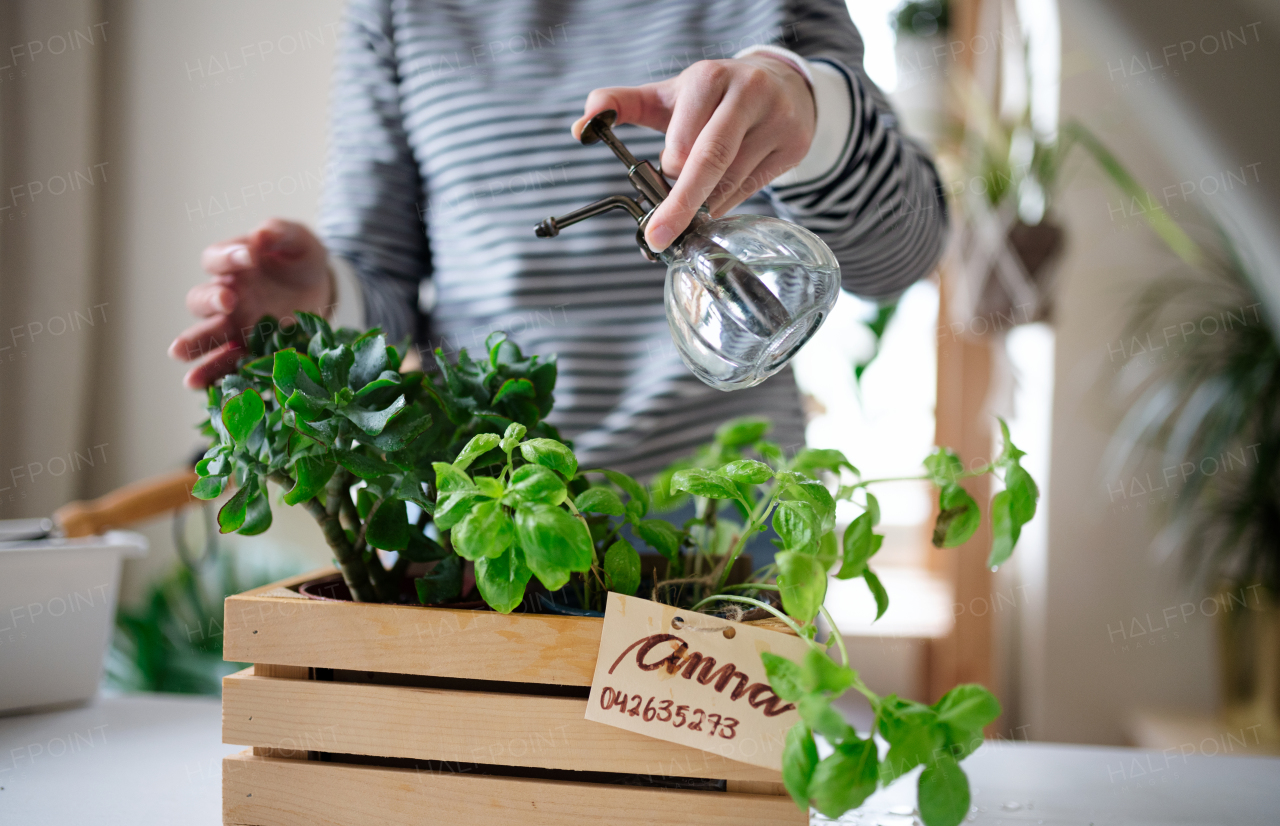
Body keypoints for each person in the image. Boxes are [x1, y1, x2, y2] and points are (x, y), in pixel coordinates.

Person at [170, 0, 946, 476]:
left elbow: (900, 254)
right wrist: (325, 298)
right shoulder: (402, 9)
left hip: (725, 528)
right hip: (487, 519)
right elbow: (384, 291)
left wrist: (818, 111)